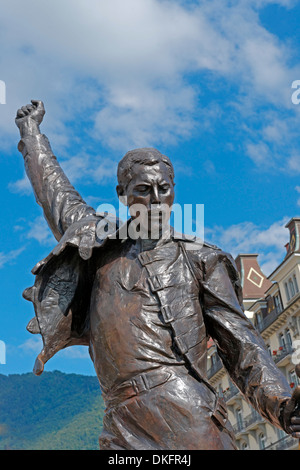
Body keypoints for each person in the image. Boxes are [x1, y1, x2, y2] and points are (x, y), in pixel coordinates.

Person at [15, 100, 300, 450]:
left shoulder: (201, 259)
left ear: (173, 191)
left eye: (163, 189)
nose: (154, 200)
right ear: (122, 195)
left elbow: (242, 344)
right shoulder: (99, 245)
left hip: (185, 414)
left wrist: (282, 406)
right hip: (119, 418)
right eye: (142, 190)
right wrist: (32, 135)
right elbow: (55, 194)